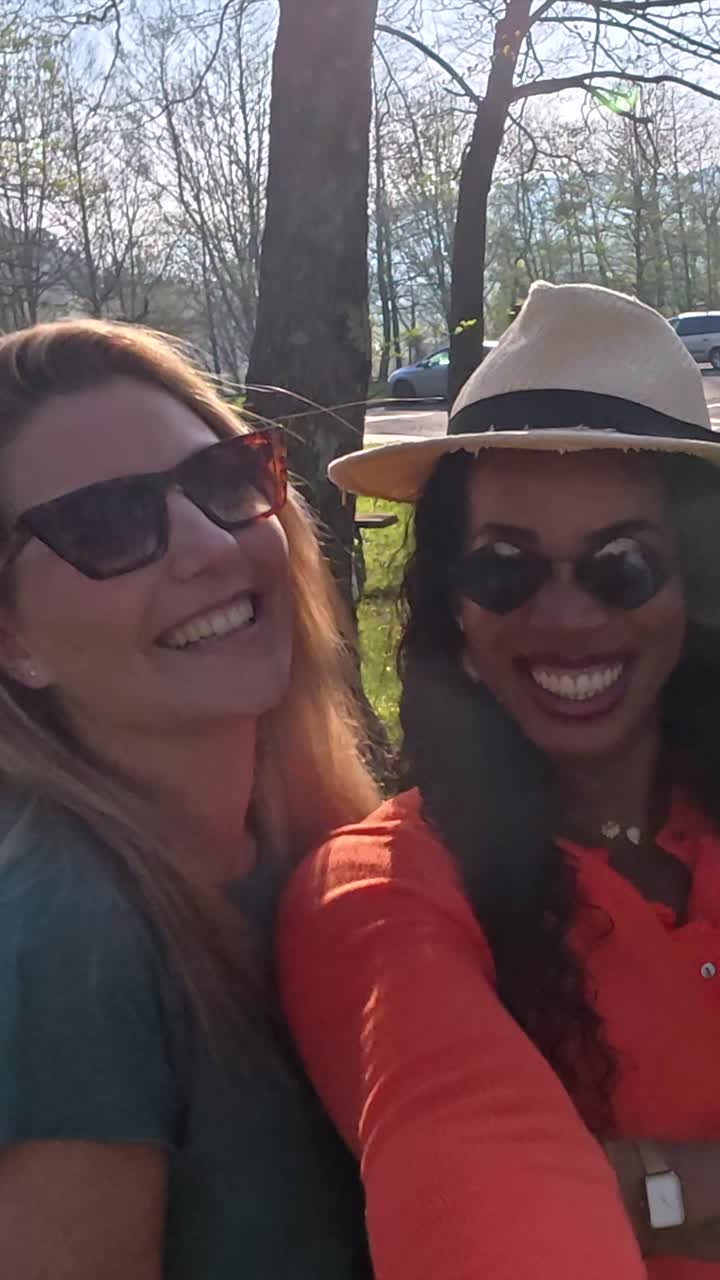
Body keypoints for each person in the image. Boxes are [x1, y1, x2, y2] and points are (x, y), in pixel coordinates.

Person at [279, 282, 720, 1280]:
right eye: (505, 568)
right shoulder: (384, 893)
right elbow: (475, 1175)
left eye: (623, 566)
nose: (565, 619)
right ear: (455, 609)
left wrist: (643, 1182)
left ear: (694, 589)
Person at [0, 318, 379, 1279]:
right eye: (108, 525)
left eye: (223, 481)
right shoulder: (64, 944)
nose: (209, 545)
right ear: (13, 643)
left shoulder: (313, 844)